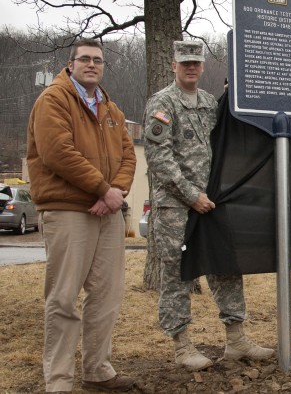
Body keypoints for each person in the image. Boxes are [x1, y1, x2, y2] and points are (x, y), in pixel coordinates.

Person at [144, 40, 273, 371]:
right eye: (184, 62)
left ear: (202, 67)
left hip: (212, 203)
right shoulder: (162, 103)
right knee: (177, 274)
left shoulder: (207, 103)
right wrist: (191, 195)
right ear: (174, 65)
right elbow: (159, 157)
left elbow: (226, 139)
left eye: (195, 63)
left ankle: (236, 339)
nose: (190, 67)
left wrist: (236, 97)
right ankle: (182, 346)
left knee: (226, 266)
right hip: (176, 205)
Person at [26, 38, 137, 393]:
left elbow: (128, 155)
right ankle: (58, 380)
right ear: (70, 64)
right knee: (63, 297)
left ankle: (97, 369)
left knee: (106, 296)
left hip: (107, 211)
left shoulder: (110, 108)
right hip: (68, 209)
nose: (92, 64)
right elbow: (57, 152)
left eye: (98, 60)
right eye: (85, 59)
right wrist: (103, 189)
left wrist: (114, 194)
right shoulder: (53, 100)